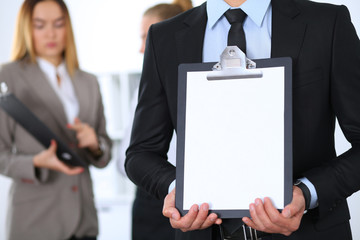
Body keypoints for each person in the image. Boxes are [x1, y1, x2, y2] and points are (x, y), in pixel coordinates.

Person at [125, 0, 360, 239]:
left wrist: (307, 193)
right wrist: (181, 191)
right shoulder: (164, 36)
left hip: (309, 232)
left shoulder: (326, 22)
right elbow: (141, 153)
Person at [0, 1, 112, 240]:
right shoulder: (7, 76)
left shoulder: (88, 82)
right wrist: (35, 163)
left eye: (58, 24)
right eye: (40, 25)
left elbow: (105, 151)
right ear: (26, 29)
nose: (50, 33)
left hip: (84, 220)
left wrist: (95, 144)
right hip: (36, 220)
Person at [117, 1, 193, 239]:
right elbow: (127, 157)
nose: (142, 49)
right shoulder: (143, 89)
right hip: (150, 200)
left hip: (190, 202)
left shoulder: (199, 82)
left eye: (147, 39)